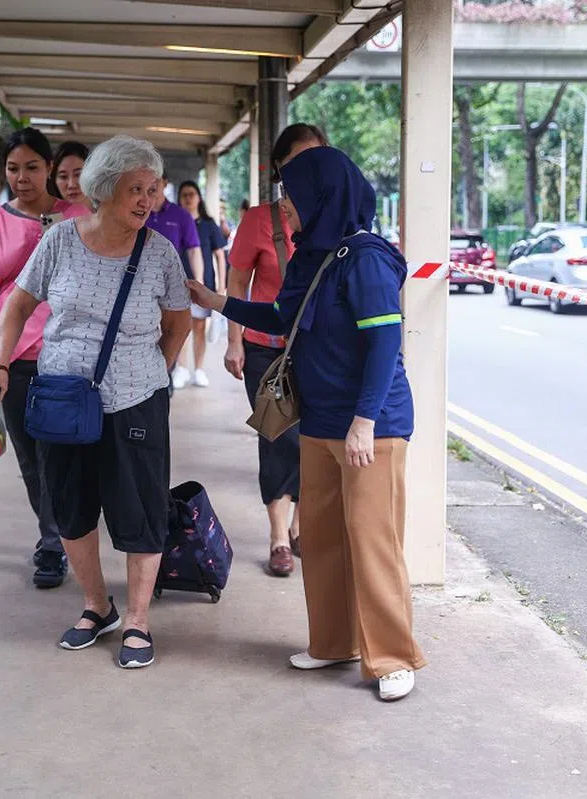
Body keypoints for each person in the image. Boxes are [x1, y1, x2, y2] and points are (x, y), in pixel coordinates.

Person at [188, 145, 427, 702]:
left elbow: (384, 340)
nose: (284, 207)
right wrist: (217, 301)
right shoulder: (312, 255)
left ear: (322, 194)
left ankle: (391, 656)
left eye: (291, 195)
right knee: (319, 539)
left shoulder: (366, 258)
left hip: (371, 425)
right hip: (318, 420)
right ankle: (334, 642)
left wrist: (364, 421)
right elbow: (279, 317)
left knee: (372, 539)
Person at [0, 134, 191, 669]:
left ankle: (138, 620)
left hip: (136, 399)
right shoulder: (59, 242)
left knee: (140, 508)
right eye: (134, 189)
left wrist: (155, 371)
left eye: (152, 189)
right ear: (102, 190)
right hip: (64, 398)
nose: (146, 200)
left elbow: (179, 318)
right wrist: (0, 363)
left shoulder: (159, 251)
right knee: (71, 509)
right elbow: (16, 305)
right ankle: (98, 607)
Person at [0, 128, 90, 589]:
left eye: (32, 167)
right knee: (32, 458)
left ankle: (69, 534)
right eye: (13, 169)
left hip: (69, 355)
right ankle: (52, 541)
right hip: (11, 356)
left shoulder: (78, 216)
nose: (21, 177)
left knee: (65, 453)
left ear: (49, 169)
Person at [226, 123, 328, 578]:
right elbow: (236, 284)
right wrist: (233, 341)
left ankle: (303, 529)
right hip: (266, 351)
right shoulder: (257, 221)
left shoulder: (334, 218)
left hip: (319, 350)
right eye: (299, 160)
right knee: (278, 438)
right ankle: (278, 538)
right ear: (280, 169)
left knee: (313, 439)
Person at [146, 174, 204, 389]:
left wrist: (198, 283)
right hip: (138, 289)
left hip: (169, 288)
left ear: (165, 183)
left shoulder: (181, 216)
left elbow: (194, 250)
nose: (152, 186)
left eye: (156, 180)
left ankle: (166, 376)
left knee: (173, 331)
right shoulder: (135, 212)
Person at [176, 180, 226, 387]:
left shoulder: (208, 224)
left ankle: (198, 370)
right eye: (184, 195)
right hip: (178, 284)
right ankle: (180, 369)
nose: (188, 198)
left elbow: (220, 255)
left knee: (198, 329)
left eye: (192, 194)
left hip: (203, 285)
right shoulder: (176, 222)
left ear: (199, 197)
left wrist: (222, 284)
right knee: (180, 328)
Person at [51, 141, 90, 209]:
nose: (71, 185)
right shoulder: (49, 218)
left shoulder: (110, 213)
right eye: (63, 177)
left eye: (78, 174)